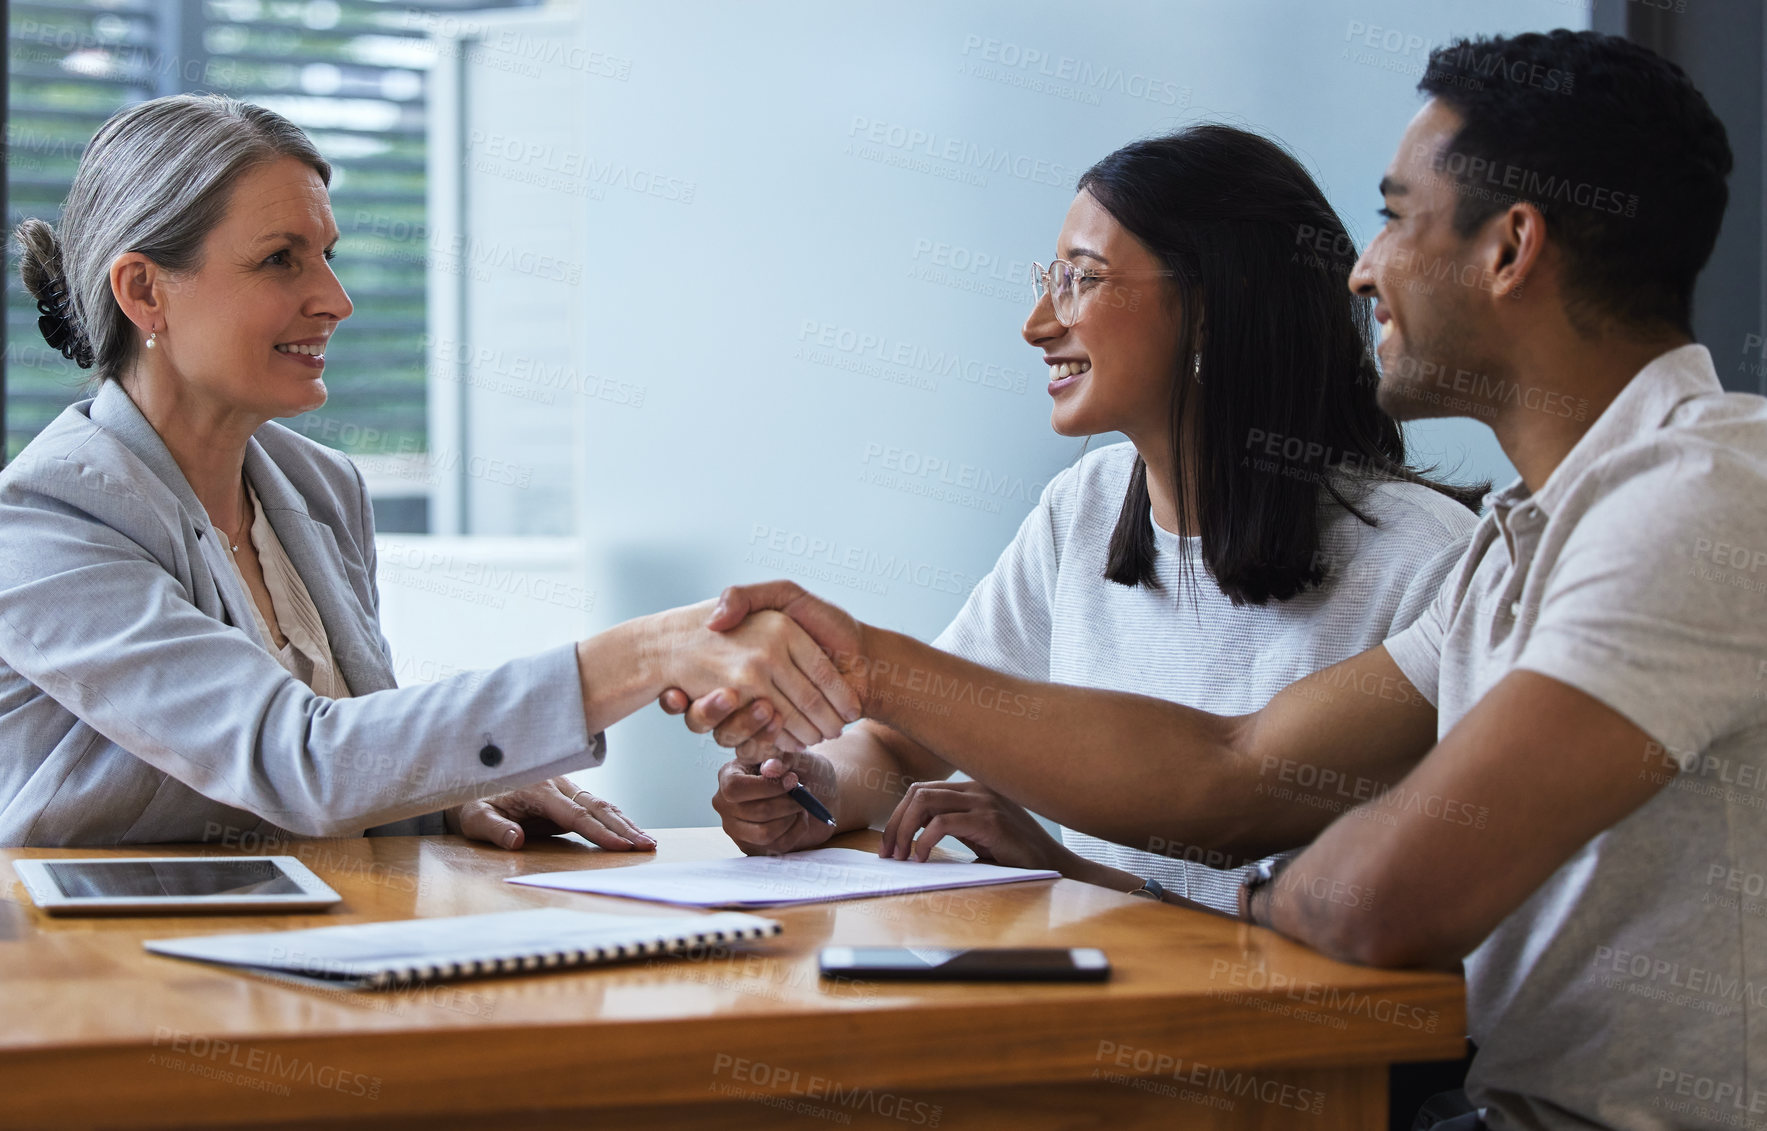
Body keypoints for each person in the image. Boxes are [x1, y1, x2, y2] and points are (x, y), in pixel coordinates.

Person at [674, 29, 1755, 1131]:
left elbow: (1383, 903)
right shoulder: (1525, 539)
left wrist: (1174, 893)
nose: (1362, 267)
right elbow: (1233, 771)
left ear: (1511, 246)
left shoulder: (1701, 497)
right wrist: (873, 676)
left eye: (1394, 217)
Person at [0, 94, 857, 849]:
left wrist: (443, 794)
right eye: (280, 259)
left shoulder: (319, 492)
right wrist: (645, 654)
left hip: (303, 957)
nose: (335, 298)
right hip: (104, 984)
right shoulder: (49, 519)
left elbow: (344, 766)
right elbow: (299, 759)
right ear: (145, 291)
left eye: (328, 254)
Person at [690, 124, 1481, 914]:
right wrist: (815, 785)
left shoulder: (1428, 564)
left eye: (1081, 279)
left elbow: (1261, 824)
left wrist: (1068, 873)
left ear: (1208, 311)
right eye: (1048, 278)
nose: (1037, 323)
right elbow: (905, 746)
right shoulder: (1086, 505)